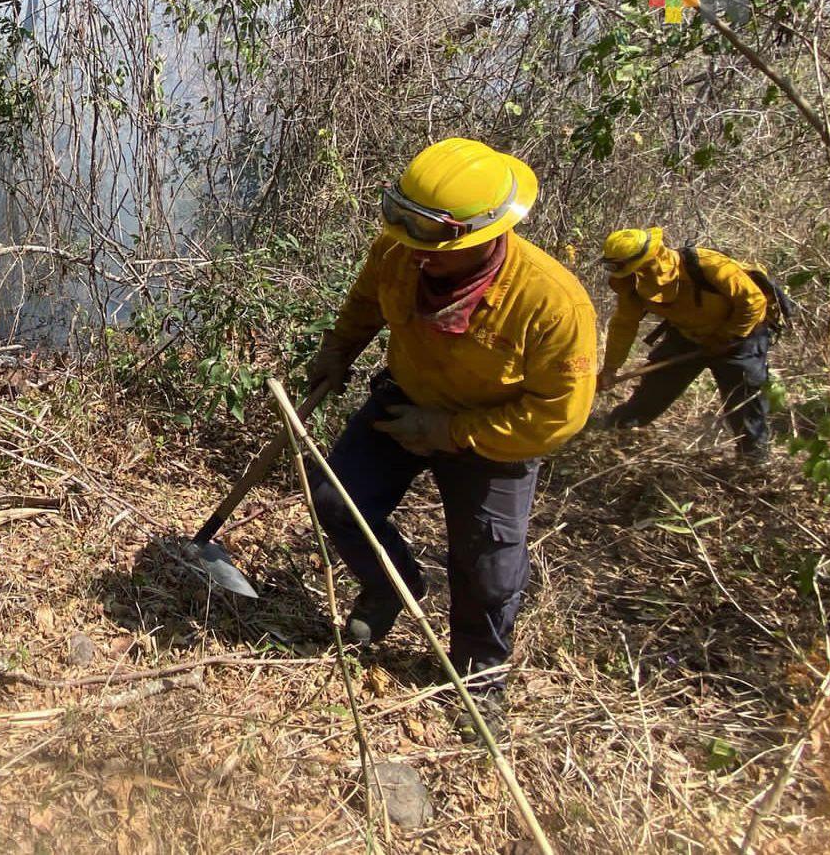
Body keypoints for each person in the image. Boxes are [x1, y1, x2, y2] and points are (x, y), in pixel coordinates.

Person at [303, 138, 597, 742]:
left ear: (483, 234)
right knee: (337, 500)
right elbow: (365, 303)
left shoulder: (552, 302)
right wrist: (338, 352)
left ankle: (480, 673)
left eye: (431, 239)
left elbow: (558, 418)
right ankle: (390, 587)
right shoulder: (402, 251)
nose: (414, 251)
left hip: (498, 431)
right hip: (407, 395)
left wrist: (447, 432)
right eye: (403, 226)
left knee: (487, 564)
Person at [596, 227, 772, 461]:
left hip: (739, 338)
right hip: (688, 336)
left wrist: (726, 336)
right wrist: (610, 369)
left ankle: (754, 461)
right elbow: (625, 324)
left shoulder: (709, 266)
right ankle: (605, 434)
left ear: (652, 259)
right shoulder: (632, 284)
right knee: (651, 394)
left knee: (744, 403)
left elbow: (753, 302)